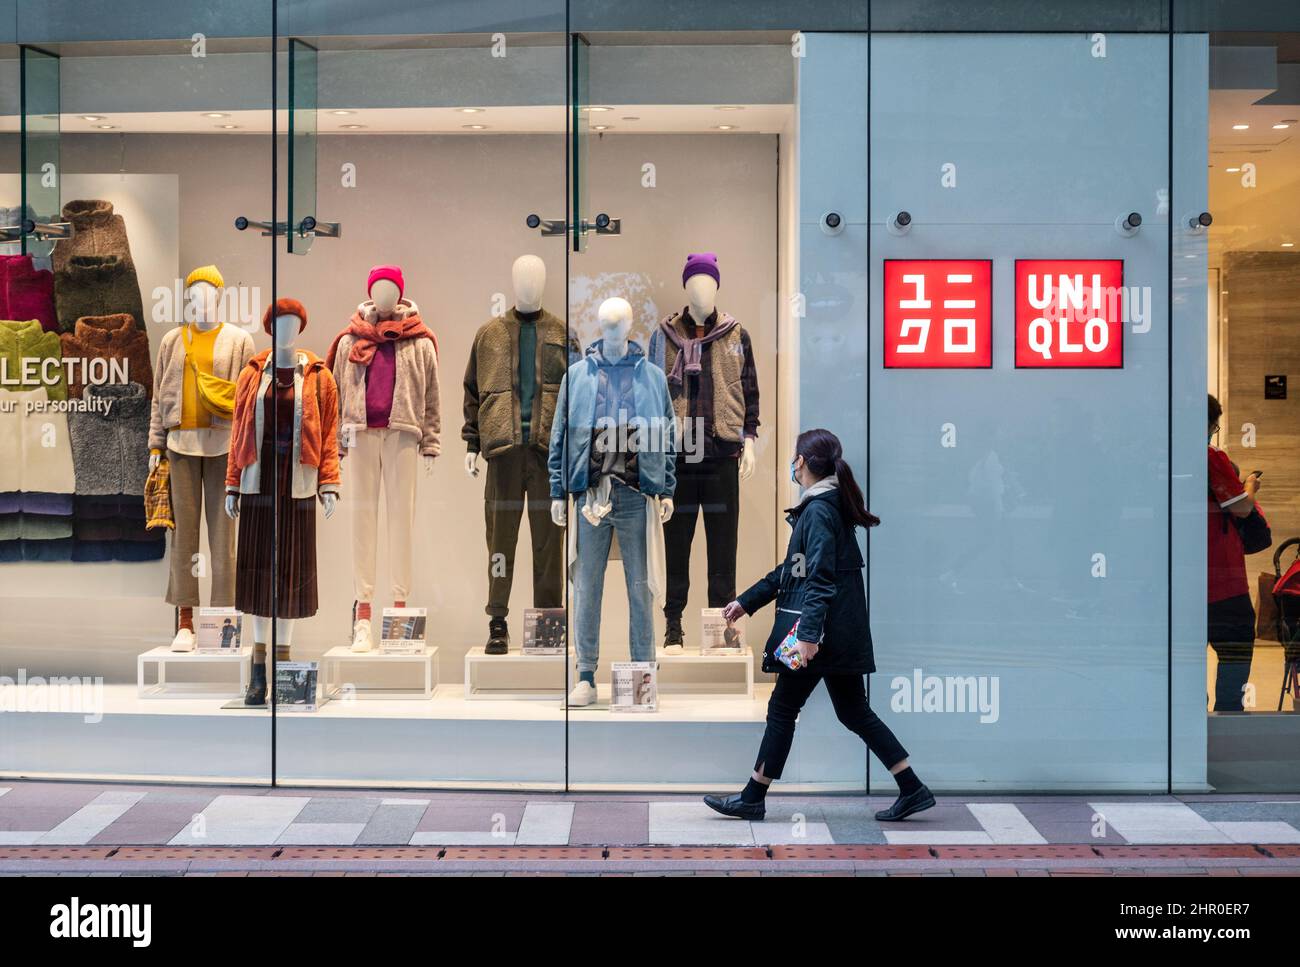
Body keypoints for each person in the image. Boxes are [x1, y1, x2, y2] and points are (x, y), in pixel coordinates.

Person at [704, 428, 934, 822]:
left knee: (782, 709)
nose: (792, 465)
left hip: (819, 638)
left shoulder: (820, 512)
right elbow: (792, 571)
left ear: (806, 463)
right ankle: (912, 787)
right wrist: (746, 601)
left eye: (795, 458)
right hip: (834, 635)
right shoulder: (822, 508)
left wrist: (808, 636)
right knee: (853, 712)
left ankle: (753, 796)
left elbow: (820, 579)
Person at [1207, 394, 1262, 712]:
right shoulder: (1210, 457)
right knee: (1236, 650)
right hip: (1222, 581)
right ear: (1211, 424)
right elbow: (1241, 507)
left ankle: (1189, 725)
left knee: (1183, 663)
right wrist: (1250, 486)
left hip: (1174, 585)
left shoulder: (1158, 456)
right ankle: (1227, 719)